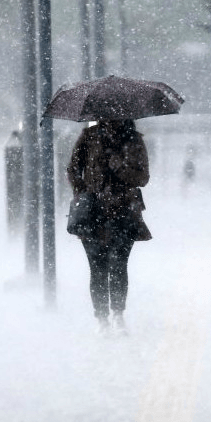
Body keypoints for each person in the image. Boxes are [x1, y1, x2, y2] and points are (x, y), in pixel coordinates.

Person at [67, 119, 151, 336]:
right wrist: (84, 191)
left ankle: (118, 315)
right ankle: (102, 318)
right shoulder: (89, 137)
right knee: (97, 267)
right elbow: (73, 169)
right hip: (93, 212)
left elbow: (143, 178)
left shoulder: (134, 139)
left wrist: (120, 167)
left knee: (119, 265)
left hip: (124, 211)